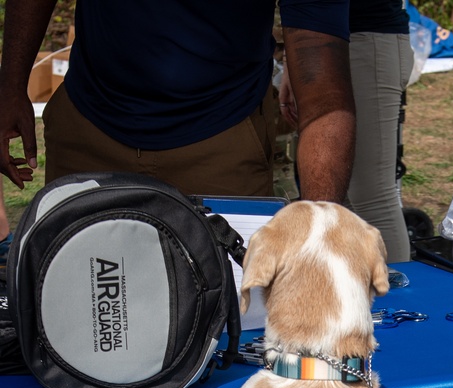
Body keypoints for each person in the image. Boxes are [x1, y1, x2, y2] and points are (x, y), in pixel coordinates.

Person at [0, 0, 355, 202]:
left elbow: (326, 99)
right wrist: (11, 84)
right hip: (91, 125)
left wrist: (322, 227)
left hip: (222, 141)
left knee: (225, 322)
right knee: (75, 311)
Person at [280, 0, 413, 262]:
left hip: (367, 37)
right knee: (346, 199)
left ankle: (400, 298)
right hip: (332, 39)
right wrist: (291, 58)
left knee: (372, 196)